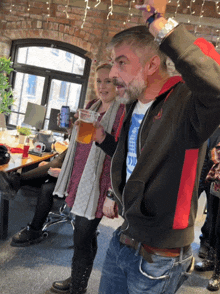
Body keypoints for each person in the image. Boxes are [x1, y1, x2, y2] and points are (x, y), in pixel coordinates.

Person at [90, 2, 220, 293]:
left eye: (121, 62)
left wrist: (162, 27)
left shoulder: (185, 102)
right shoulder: (134, 103)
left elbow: (216, 88)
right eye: (112, 62)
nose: (112, 73)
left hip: (160, 255)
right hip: (123, 238)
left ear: (151, 65)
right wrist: (113, 188)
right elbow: (139, 162)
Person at [0, 148, 68, 246]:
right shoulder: (78, 140)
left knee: (47, 188)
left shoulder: (92, 142)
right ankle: (16, 181)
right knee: (42, 172)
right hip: (65, 173)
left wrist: (64, 173)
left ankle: (35, 230)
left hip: (79, 182)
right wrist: (50, 165)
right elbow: (63, 159)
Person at [195, 137, 220, 291]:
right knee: (213, 223)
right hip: (216, 183)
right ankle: (211, 260)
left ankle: (217, 273)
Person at [198, 126, 220, 259]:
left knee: (212, 213)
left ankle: (206, 242)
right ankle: (178, 240)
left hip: (214, 172)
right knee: (186, 203)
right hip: (200, 164)